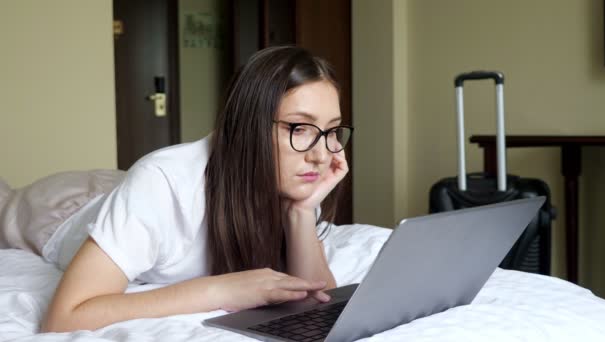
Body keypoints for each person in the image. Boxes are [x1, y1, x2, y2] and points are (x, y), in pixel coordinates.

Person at [17, 46, 353, 332]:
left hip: (128, 193)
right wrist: (219, 290)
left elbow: (319, 299)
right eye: (299, 127)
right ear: (247, 125)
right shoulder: (162, 183)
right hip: (60, 211)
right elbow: (63, 318)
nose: (322, 155)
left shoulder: (295, 176)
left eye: (332, 131)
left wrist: (301, 213)